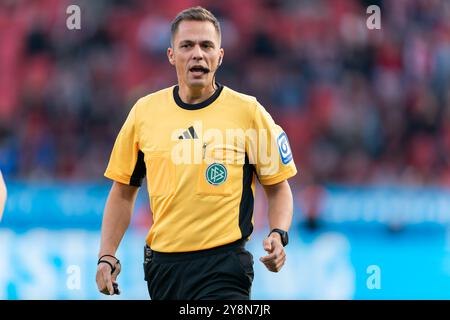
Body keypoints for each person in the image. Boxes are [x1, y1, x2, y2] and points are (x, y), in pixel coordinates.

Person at [96, 6, 297, 300]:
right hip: (163, 269)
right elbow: (123, 191)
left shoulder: (249, 112)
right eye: (187, 46)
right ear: (171, 55)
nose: (197, 54)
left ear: (220, 56)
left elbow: (278, 187)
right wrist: (106, 255)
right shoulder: (144, 113)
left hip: (225, 266)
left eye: (206, 46)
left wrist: (278, 234)